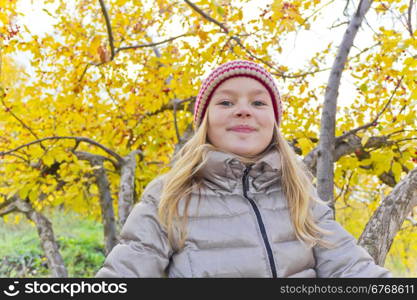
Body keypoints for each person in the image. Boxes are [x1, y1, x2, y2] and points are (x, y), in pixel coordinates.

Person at [95, 59, 392, 278]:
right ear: (204, 123)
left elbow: (353, 268)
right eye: (225, 101)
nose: (243, 109)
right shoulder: (169, 195)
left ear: (273, 124)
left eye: (258, 102)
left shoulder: (299, 196)